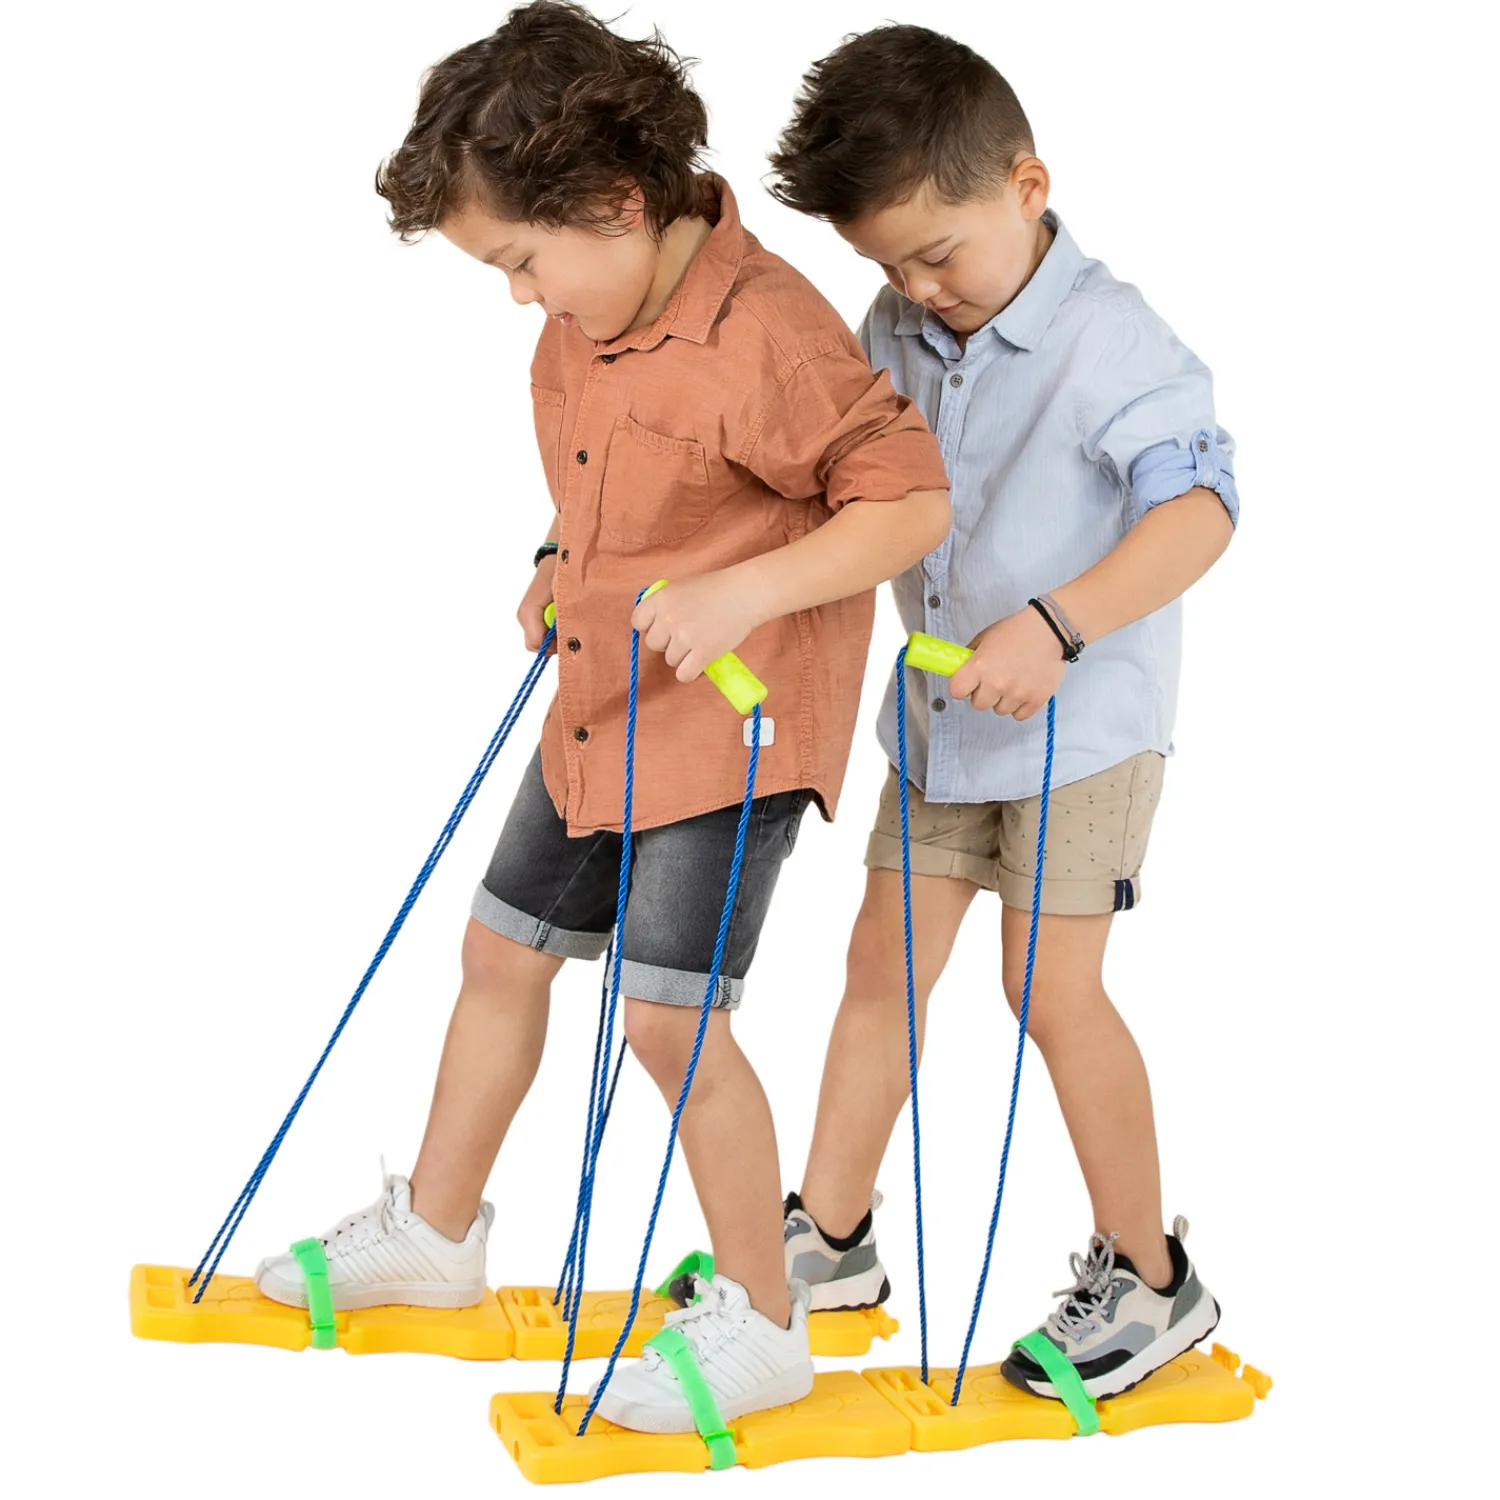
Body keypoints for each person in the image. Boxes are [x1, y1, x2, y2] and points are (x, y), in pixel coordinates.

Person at [251, 2, 950, 1432]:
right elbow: (608, 480)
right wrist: (554, 560)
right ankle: (439, 1235)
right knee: (500, 950)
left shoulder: (770, 335)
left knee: (670, 1024)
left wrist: (749, 592)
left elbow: (909, 500)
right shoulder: (593, 308)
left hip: (728, 736)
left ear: (620, 204)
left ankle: (765, 1323)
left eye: (520, 260)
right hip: (604, 703)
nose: (520, 296)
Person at [768, 22, 1238, 1402]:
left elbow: (1204, 512)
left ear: (1028, 186)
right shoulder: (898, 327)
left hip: (1080, 737)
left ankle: (1152, 1279)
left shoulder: (1113, 338)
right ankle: (829, 1244)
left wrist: (1061, 623)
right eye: (889, 268)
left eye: (936, 255)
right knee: (880, 972)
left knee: (1046, 988)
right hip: (939, 729)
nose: (918, 289)